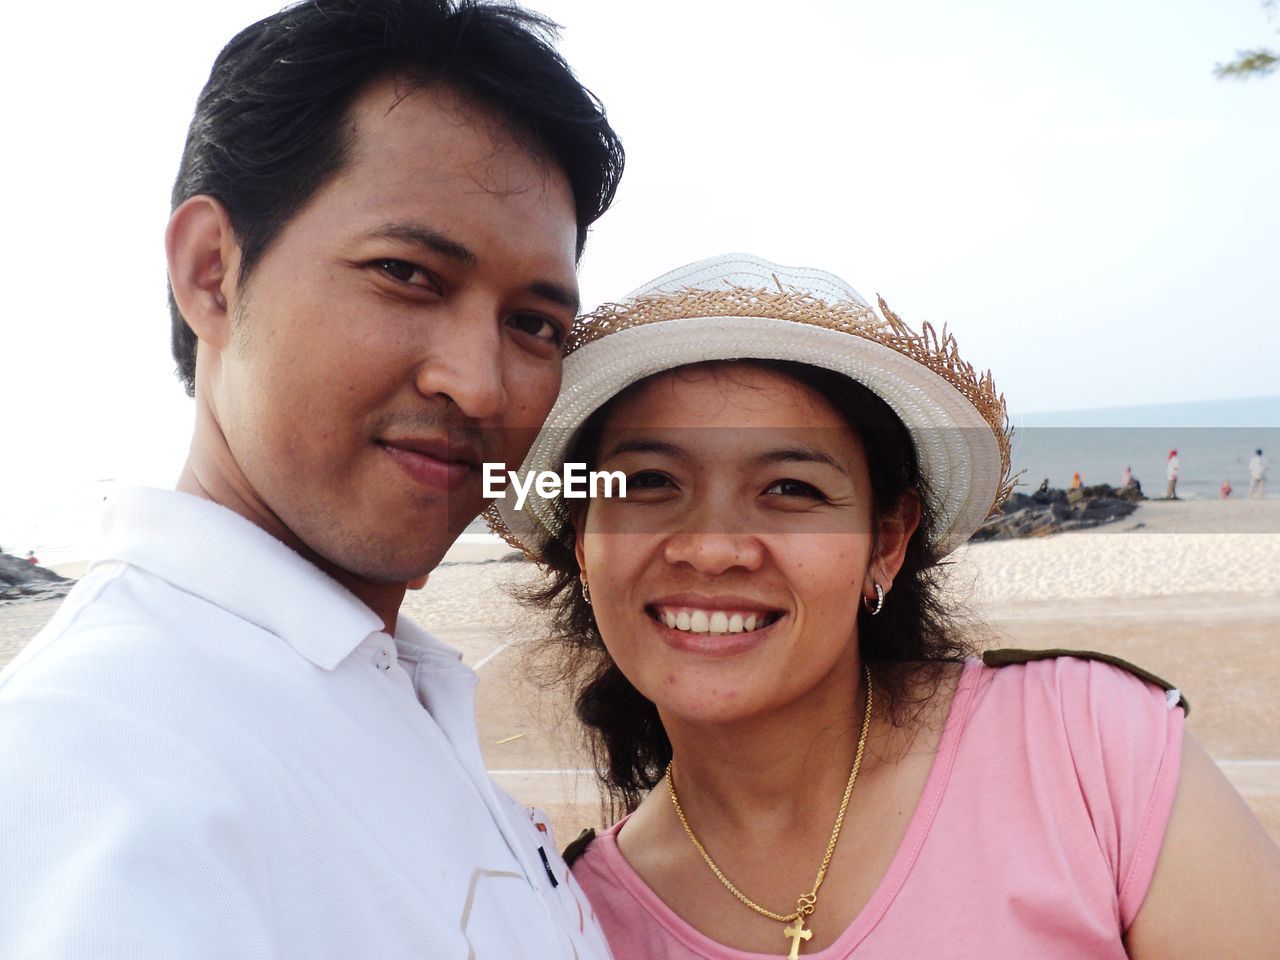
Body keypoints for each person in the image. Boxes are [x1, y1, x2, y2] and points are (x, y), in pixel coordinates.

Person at [0, 2, 623, 958]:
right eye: (407, 274)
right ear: (212, 273)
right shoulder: (95, 774)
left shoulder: (392, 684)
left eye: (536, 324)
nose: (480, 381)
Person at [490, 254, 1280, 958]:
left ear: (887, 541)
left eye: (790, 489)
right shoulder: (570, 926)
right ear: (582, 540)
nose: (714, 547)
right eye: (647, 483)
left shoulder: (1088, 748)